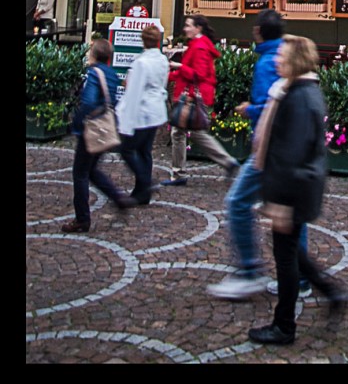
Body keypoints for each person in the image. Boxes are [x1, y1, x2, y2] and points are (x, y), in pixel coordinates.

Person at [247, 34, 347, 346]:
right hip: (296, 187)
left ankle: (284, 325)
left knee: (286, 257)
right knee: (290, 250)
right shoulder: (301, 90)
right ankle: (332, 293)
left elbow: (292, 153)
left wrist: (281, 201)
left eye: (283, 55)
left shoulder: (301, 97)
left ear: (296, 60)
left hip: (292, 190)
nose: (277, 59)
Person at [207, 10, 311, 300]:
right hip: (286, 149)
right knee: (290, 213)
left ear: (258, 32)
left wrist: (248, 109)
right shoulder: (287, 54)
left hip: (268, 149)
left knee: (238, 202)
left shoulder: (268, 61)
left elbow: (270, 107)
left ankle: (249, 270)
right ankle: (300, 277)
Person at [61, 39, 135, 233]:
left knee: (80, 173)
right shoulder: (111, 73)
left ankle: (82, 219)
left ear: (93, 54)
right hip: (105, 127)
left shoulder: (94, 73)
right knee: (92, 169)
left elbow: (89, 101)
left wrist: (77, 122)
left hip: (91, 128)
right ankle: (119, 198)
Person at [162, 14, 240, 186]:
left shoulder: (199, 47)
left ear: (198, 28)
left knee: (187, 133)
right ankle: (179, 172)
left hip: (194, 95)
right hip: (194, 93)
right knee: (183, 133)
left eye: (189, 25)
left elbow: (199, 74)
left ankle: (181, 172)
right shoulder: (198, 45)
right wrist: (170, 75)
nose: (185, 29)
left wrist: (178, 67)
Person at [116, 24, 169, 205]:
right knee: (144, 151)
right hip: (156, 110)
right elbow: (163, 84)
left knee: (127, 149)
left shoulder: (141, 63)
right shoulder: (162, 60)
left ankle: (145, 183)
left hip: (142, 112)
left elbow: (134, 92)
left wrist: (125, 121)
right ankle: (141, 192)